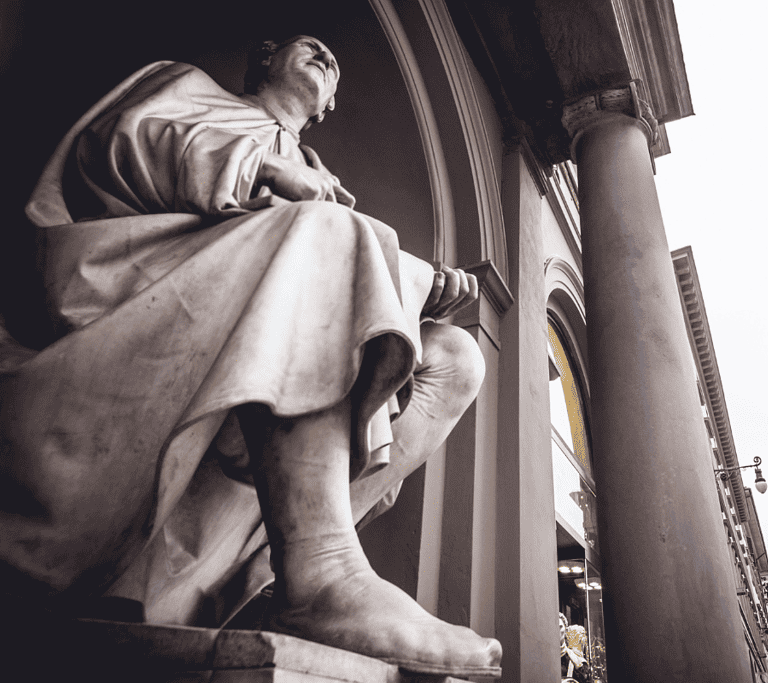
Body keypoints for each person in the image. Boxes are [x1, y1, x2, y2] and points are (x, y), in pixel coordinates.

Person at [0, 35, 501, 677]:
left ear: (326, 110)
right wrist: (259, 168)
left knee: (456, 358)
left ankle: (276, 583)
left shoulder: (323, 181)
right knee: (328, 232)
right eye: (312, 47)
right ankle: (321, 572)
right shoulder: (188, 89)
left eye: (335, 65)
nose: (328, 59)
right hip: (124, 301)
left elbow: (318, 270)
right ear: (265, 58)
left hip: (233, 321)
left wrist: (415, 292)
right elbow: (115, 150)